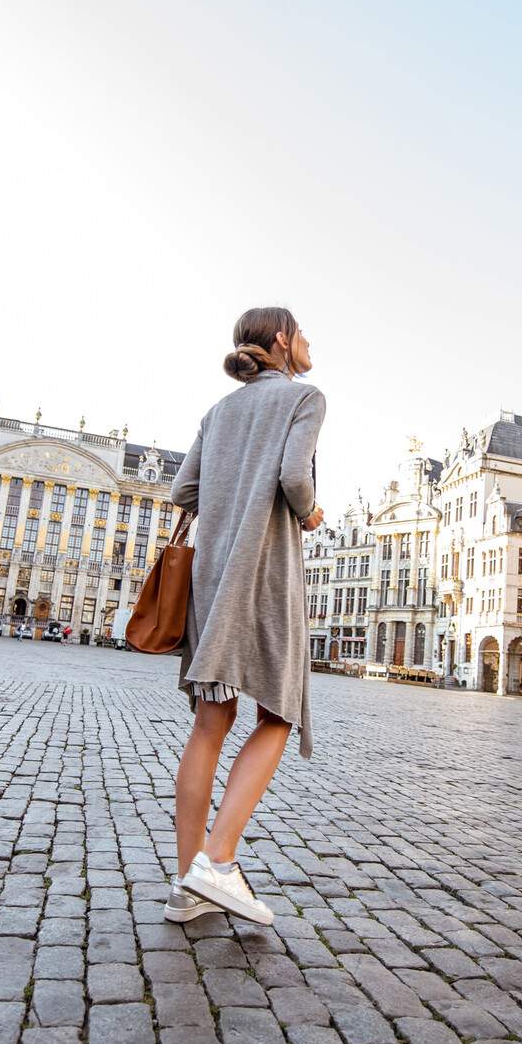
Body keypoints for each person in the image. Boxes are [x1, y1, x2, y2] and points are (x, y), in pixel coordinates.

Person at [162, 307, 325, 927]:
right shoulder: (304, 398)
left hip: (211, 575)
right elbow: (292, 479)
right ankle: (220, 860)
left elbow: (184, 492)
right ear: (282, 340)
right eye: (304, 332)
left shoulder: (219, 411)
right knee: (280, 710)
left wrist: (231, 493)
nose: (310, 343)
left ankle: (188, 885)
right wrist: (308, 513)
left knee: (211, 721)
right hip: (265, 571)